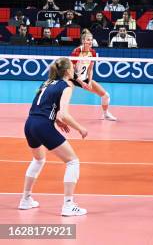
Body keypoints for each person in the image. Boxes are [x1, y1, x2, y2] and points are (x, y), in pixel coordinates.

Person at [18, 57, 88, 216]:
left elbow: (44, 106)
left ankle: (25, 199)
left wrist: (56, 120)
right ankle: (68, 205)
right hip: (42, 126)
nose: (74, 69)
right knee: (73, 162)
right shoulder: (66, 86)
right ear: (68, 71)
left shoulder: (47, 82)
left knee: (38, 159)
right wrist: (80, 128)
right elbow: (64, 113)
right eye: (73, 67)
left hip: (29, 124)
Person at [71, 30, 117, 121]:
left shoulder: (93, 52)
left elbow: (90, 69)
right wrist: (81, 83)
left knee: (106, 95)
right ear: (83, 41)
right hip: (73, 79)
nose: (90, 42)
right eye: (88, 40)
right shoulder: (76, 51)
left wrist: (89, 82)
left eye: (91, 40)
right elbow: (71, 72)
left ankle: (105, 114)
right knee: (62, 96)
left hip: (85, 79)